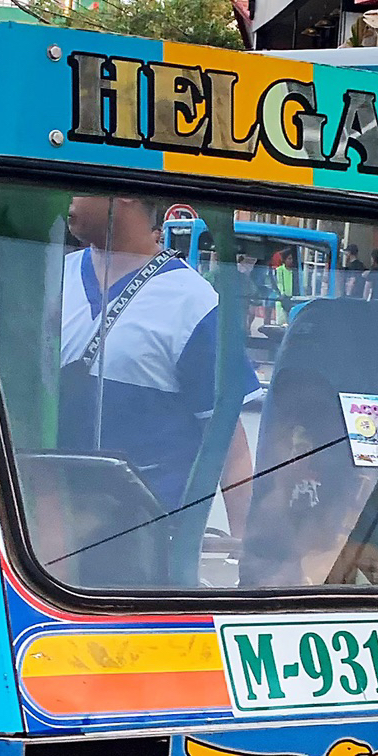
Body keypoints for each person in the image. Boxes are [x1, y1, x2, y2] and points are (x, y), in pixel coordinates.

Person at [60, 192, 253, 518]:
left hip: (141, 546)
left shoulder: (194, 303)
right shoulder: (51, 275)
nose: (68, 193)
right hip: (32, 536)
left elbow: (231, 451)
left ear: (125, 194)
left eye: (80, 182)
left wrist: (248, 554)